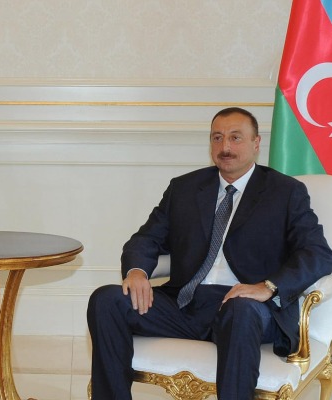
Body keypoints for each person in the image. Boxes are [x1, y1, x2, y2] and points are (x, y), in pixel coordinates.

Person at [87, 107, 332, 399]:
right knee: (107, 300)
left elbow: (318, 252)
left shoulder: (285, 191)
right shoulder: (184, 188)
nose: (225, 147)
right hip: (185, 303)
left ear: (256, 143)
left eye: (235, 137)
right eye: (217, 137)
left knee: (240, 310)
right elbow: (146, 238)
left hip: (245, 307)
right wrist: (137, 271)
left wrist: (268, 287)